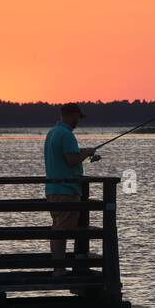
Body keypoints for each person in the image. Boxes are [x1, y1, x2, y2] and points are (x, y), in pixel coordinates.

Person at [43, 104, 97, 277]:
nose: (78, 121)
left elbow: (67, 155)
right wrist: (87, 152)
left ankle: (57, 266)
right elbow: (71, 160)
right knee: (63, 231)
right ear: (70, 115)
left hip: (52, 189)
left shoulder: (52, 133)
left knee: (57, 228)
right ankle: (59, 269)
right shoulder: (67, 135)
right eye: (77, 117)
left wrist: (85, 152)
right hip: (66, 190)